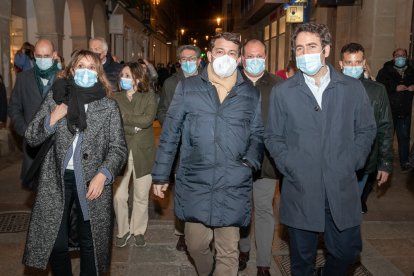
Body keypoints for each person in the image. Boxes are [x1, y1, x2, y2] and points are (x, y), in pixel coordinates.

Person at [265, 23, 376, 276]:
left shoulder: (352, 88)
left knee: (348, 252)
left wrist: (353, 160)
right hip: (301, 188)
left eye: (312, 47)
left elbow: (367, 129)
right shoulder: (283, 92)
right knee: (302, 262)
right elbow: (272, 135)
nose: (305, 54)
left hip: (340, 186)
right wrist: (289, 165)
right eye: (300, 48)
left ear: (325, 49)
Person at [152, 32, 264, 276]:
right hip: (195, 180)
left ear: (239, 59)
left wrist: (249, 162)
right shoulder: (188, 88)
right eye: (221, 52)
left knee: (229, 251)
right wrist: (161, 175)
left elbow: (257, 134)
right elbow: (170, 132)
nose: (226, 57)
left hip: (233, 181)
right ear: (210, 55)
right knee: (196, 244)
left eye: (232, 53)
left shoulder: (251, 94)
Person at [22, 49, 127, 275]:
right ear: (71, 70)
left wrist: (104, 174)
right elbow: (31, 136)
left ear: (98, 74)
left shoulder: (108, 106)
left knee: (91, 243)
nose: (86, 72)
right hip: (55, 180)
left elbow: (118, 148)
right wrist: (52, 118)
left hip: (92, 182)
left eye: (91, 68)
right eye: (81, 66)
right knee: (56, 243)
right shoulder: (56, 97)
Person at [237, 39, 283, 276]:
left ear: (266, 57)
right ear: (242, 58)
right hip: (238, 160)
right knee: (242, 208)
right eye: (250, 56)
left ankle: (263, 263)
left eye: (259, 56)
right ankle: (243, 250)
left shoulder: (278, 85)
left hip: (267, 161)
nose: (255, 60)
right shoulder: (231, 83)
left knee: (264, 209)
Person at [157, 44, 202, 252]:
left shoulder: (209, 80)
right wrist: (174, 127)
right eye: (184, 59)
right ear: (179, 61)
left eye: (192, 58)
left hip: (201, 143)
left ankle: (201, 228)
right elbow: (163, 110)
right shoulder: (170, 83)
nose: (188, 62)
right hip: (178, 144)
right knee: (181, 188)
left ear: (199, 60)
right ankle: (182, 232)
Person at [339, 42, 393, 213]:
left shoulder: (377, 91)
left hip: (365, 161)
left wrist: (384, 163)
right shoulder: (330, 88)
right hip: (335, 161)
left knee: (351, 208)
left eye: (357, 62)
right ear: (341, 64)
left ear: (364, 63)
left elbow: (385, 126)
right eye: (349, 63)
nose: (353, 67)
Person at [112, 62, 157, 248]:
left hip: (143, 152)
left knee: (140, 195)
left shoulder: (148, 96)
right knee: (119, 196)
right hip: (120, 152)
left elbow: (147, 120)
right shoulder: (114, 97)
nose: (123, 78)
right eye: (122, 75)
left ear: (137, 78)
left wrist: (125, 120)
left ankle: (138, 230)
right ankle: (123, 230)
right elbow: (113, 122)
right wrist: (133, 125)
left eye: (128, 75)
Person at [9, 38, 61, 187]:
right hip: (33, 148)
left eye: (46, 56)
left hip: (57, 145)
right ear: (34, 56)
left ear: (54, 55)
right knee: (36, 194)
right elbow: (14, 107)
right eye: (39, 56)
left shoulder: (64, 78)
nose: (42, 59)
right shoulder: (23, 78)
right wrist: (25, 131)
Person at [376, 48, 414, 173]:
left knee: (404, 138)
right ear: (393, 57)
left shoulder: (411, 70)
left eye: (403, 55)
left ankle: (405, 163)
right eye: (398, 55)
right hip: (389, 111)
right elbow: (379, 85)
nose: (400, 57)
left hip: (405, 111)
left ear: (407, 57)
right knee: (386, 138)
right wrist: (394, 87)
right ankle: (382, 162)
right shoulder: (385, 70)